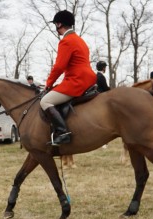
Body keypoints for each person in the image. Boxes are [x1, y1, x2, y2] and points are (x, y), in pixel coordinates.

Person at [40, 10, 96, 146]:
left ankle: (63, 132)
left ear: (59, 24)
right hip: (88, 79)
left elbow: (59, 67)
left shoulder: (66, 41)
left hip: (77, 81)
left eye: (55, 24)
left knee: (45, 101)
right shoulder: (80, 40)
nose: (56, 27)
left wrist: (48, 84)